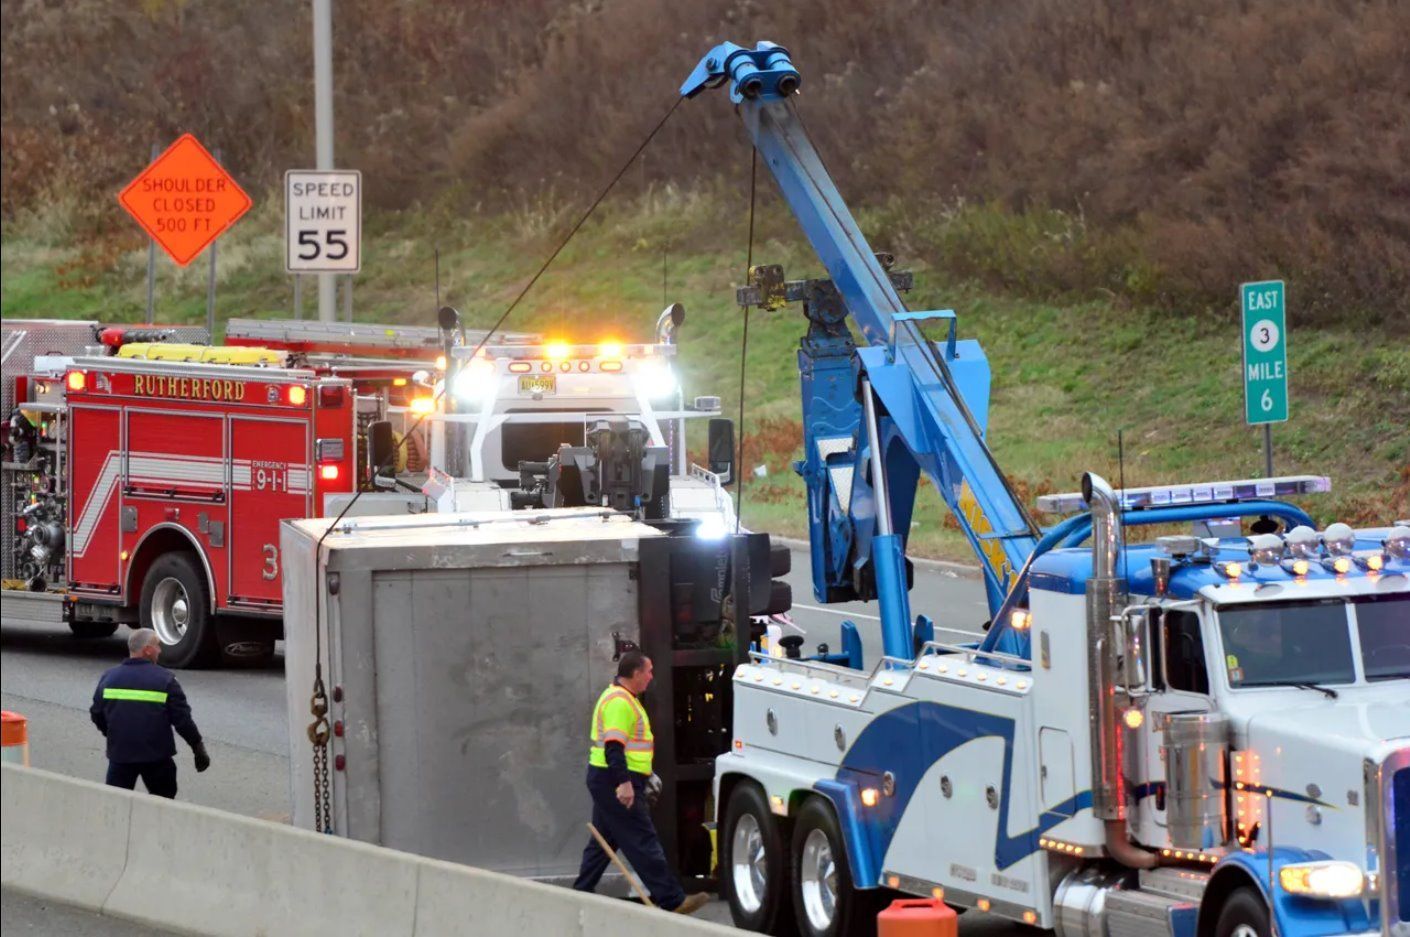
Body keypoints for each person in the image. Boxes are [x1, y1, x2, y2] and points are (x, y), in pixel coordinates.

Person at [573, 651, 708, 915]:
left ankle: (580, 894)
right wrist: (624, 783)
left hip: (609, 778)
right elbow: (614, 747)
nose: (651, 676)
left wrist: (642, 774)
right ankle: (672, 900)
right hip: (614, 779)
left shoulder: (623, 698)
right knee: (641, 838)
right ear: (636, 674)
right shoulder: (620, 702)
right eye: (648, 671)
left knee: (603, 842)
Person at [90, 628, 209, 798]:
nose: (159, 650)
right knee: (162, 803)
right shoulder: (166, 680)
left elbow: (96, 713)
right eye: (157, 646)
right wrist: (197, 747)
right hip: (156, 758)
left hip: (121, 755)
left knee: (116, 803)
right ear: (147, 650)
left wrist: (113, 734)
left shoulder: (109, 677)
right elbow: (182, 721)